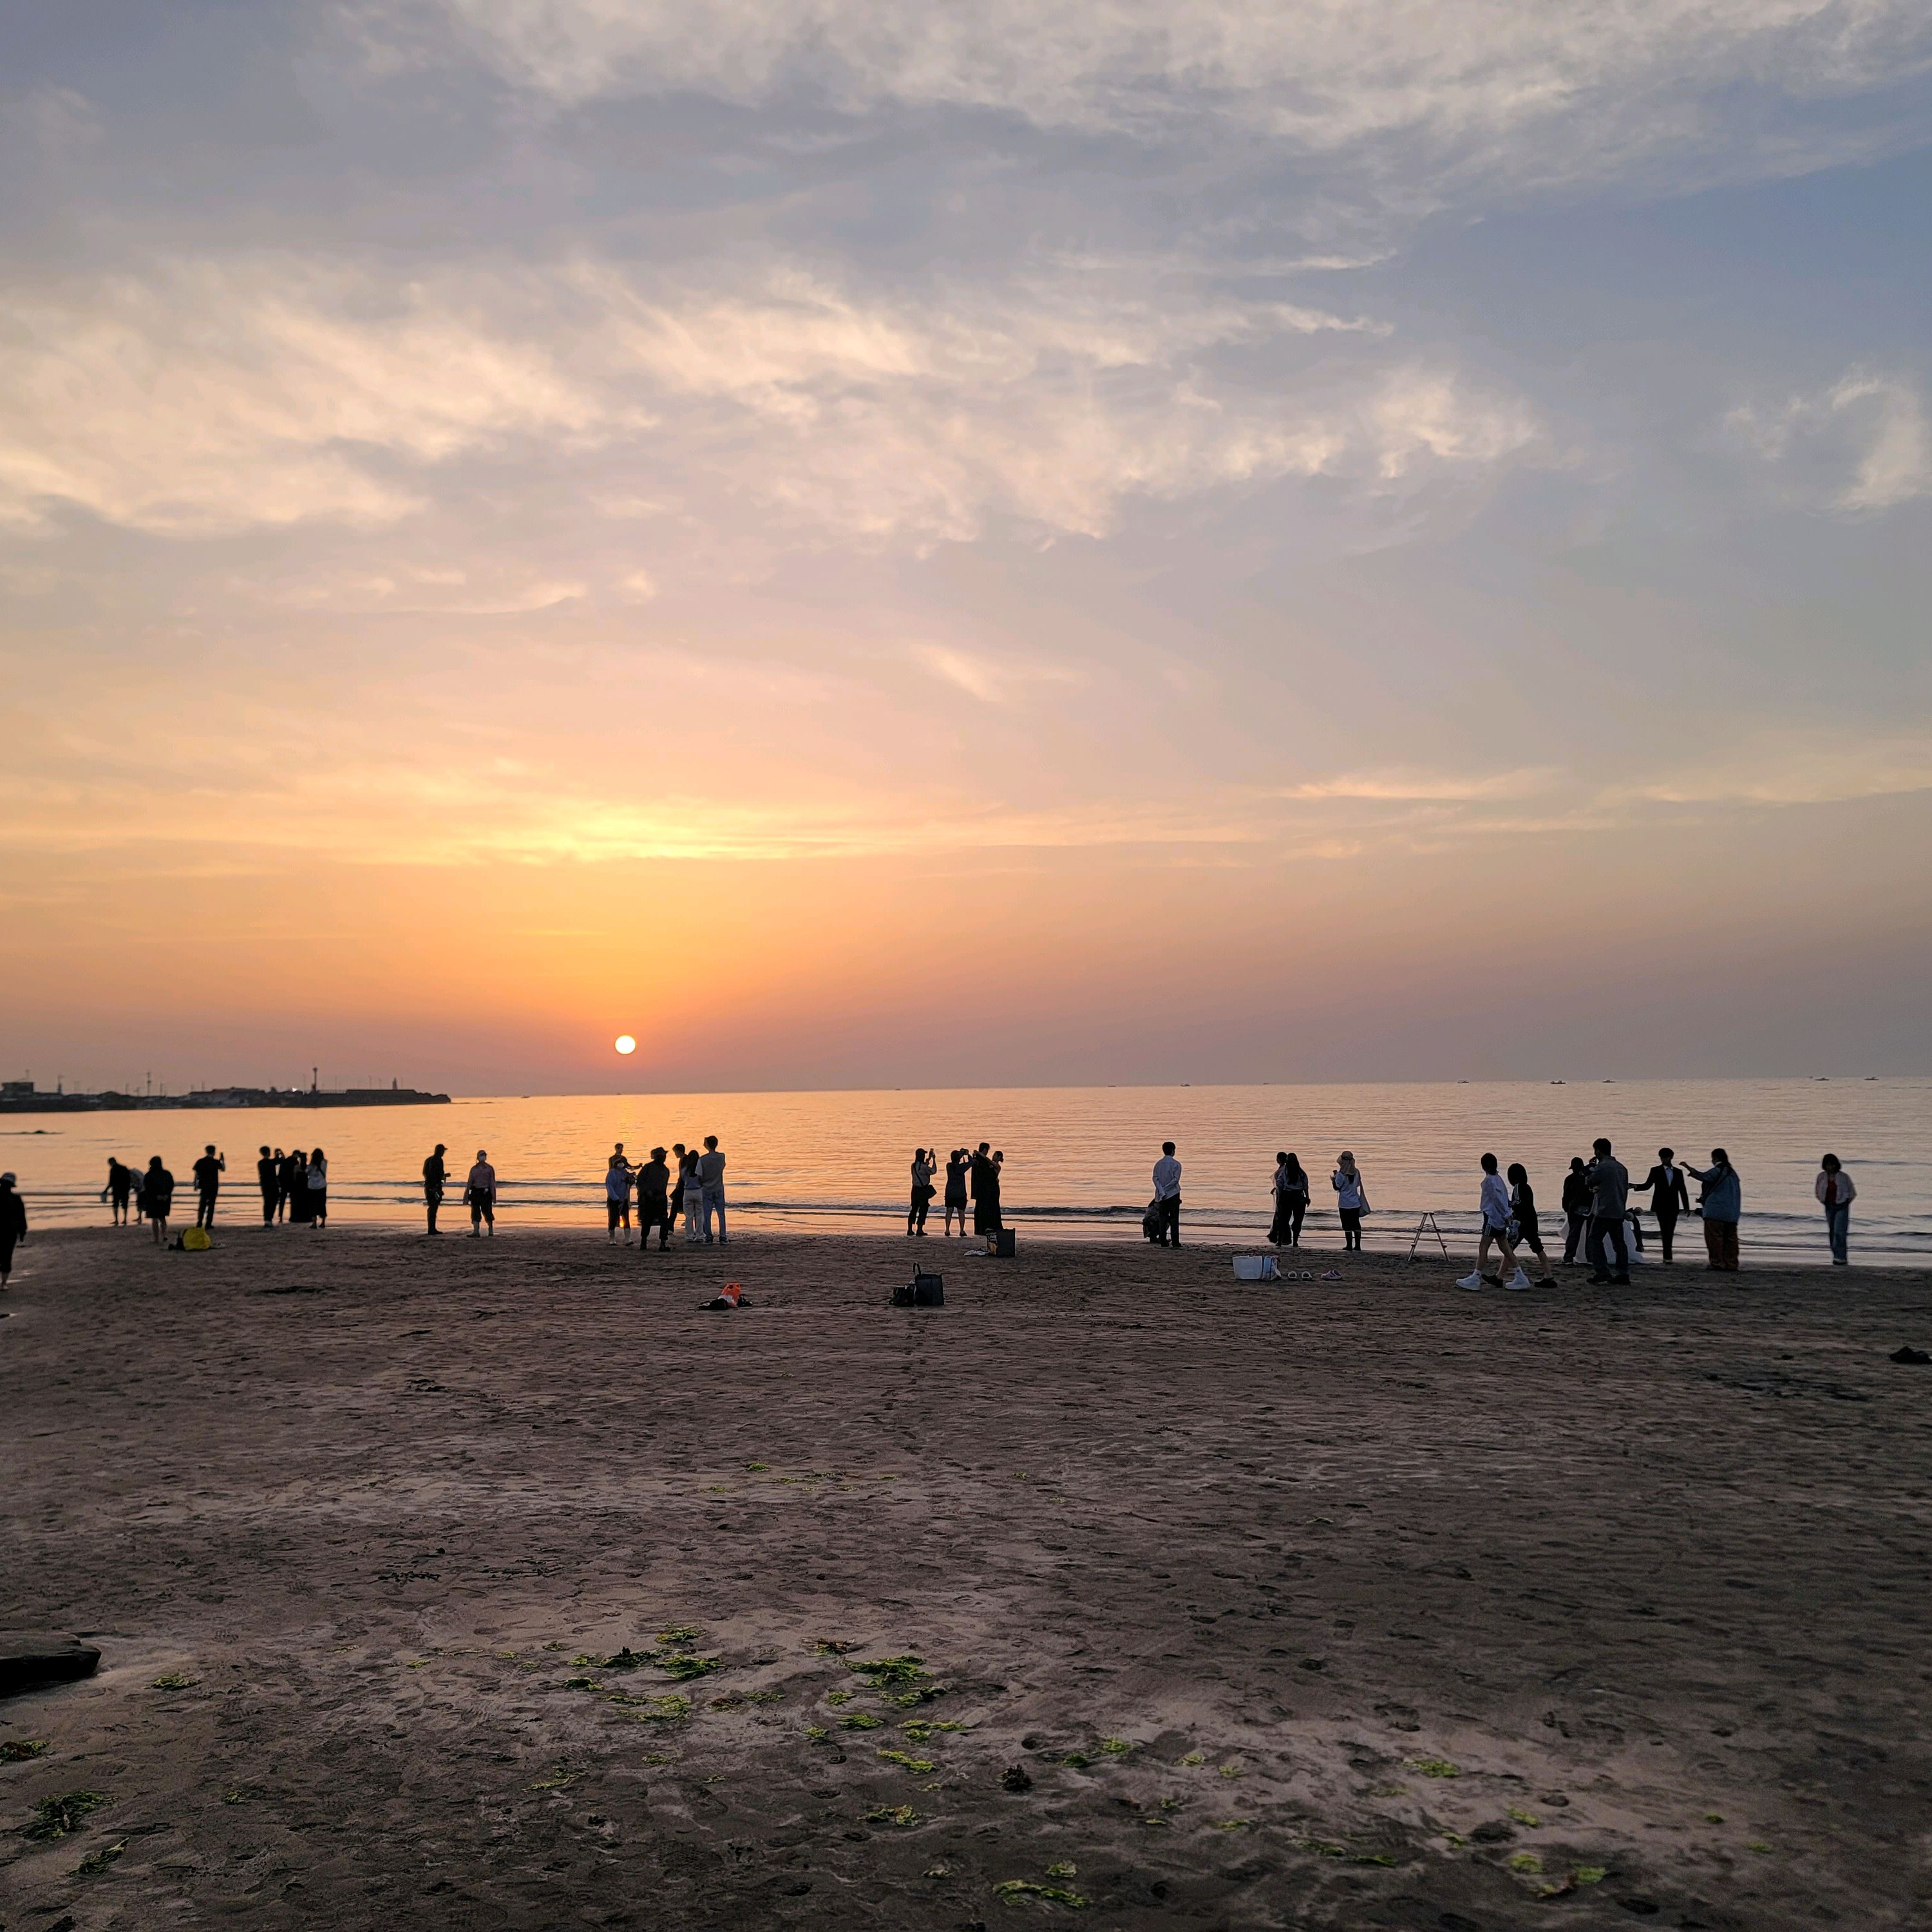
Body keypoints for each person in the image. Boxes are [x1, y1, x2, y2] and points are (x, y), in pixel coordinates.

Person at [1457, 1153, 1524, 1291]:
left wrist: (1507, 1215)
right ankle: (1520, 1276)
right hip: (1499, 1220)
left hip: (1492, 1219)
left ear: (1483, 1166)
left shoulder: (1489, 1181)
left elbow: (1497, 1200)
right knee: (1505, 1248)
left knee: (1483, 1248)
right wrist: (1507, 1216)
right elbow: (1503, 1198)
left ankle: (1476, 1277)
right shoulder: (1498, 1179)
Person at [1583, 1137, 1631, 1284]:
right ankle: (1623, 1273)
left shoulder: (1603, 1167)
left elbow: (1589, 1180)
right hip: (1618, 1209)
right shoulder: (1622, 1168)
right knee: (1619, 1243)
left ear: (1598, 1151)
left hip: (1604, 1210)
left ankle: (1602, 1271)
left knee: (1594, 1239)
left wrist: (1591, 1166)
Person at [1629, 1148, 1690, 1263]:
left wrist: (1686, 1206)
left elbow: (1682, 1190)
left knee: (1670, 1230)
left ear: (1671, 1157)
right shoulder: (1655, 1170)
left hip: (1674, 1206)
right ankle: (1667, 1257)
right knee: (1665, 1229)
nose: (1664, 1160)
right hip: (1660, 1205)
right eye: (1662, 1158)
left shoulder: (1678, 1172)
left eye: (1666, 1157)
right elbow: (1647, 1185)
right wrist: (1635, 1187)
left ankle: (1668, 1256)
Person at [1687, 1149, 1741, 1271]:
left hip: (1715, 1212)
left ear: (1714, 1158)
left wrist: (1691, 1171)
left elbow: (1704, 1177)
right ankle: (1731, 1263)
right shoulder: (1732, 1173)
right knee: (1731, 1240)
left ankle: (1717, 1263)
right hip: (1732, 1212)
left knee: (1714, 1239)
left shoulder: (1718, 1171)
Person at [1508, 1162, 1556, 1285]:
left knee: (1509, 1248)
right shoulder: (1527, 1187)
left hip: (1522, 1223)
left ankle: (1499, 1276)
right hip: (1532, 1221)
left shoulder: (1518, 1187)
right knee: (1538, 1248)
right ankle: (1548, 1275)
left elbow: (1518, 1203)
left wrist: (1507, 1203)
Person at [1816, 1153, 1856, 1265]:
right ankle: (1836, 1255)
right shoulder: (1821, 1177)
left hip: (1842, 1206)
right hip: (1829, 1206)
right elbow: (1818, 1191)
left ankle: (1841, 1257)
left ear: (1836, 1165)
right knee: (1832, 1232)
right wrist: (1822, 1200)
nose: (1831, 1167)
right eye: (1828, 1165)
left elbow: (1852, 1192)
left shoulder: (1843, 1177)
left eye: (1832, 1165)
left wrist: (1846, 1202)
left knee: (1840, 1232)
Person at [1269, 1152, 1309, 1247]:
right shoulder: (1302, 1173)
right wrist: (1307, 1197)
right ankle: (1295, 1241)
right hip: (1299, 1197)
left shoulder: (1284, 1172)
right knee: (1298, 1221)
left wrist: (1279, 1192)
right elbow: (1305, 1186)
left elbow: (1279, 1184)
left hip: (1286, 1197)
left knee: (1284, 1220)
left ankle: (1279, 1241)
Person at [636, 1147, 672, 1251]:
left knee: (663, 1221)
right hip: (649, 1198)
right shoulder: (649, 1168)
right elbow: (640, 1182)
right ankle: (644, 1243)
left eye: (664, 1156)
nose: (663, 1157)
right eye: (661, 1156)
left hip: (660, 1198)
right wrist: (647, 1193)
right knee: (648, 1220)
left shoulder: (665, 1170)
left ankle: (662, 1243)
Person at [1331, 1152, 1368, 1251]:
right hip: (1355, 1202)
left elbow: (1337, 1187)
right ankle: (1358, 1245)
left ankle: (1349, 1245)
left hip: (1344, 1203)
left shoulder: (1341, 1174)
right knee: (1356, 1224)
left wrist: (1333, 1180)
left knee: (1347, 1225)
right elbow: (1357, 1185)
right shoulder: (1356, 1172)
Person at [1559, 1157, 1591, 1265]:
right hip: (1589, 1208)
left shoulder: (1569, 1179)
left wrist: (1566, 1208)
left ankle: (1569, 1257)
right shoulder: (1588, 1177)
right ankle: (1590, 1257)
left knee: (1573, 1233)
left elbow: (1566, 1195)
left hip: (1574, 1209)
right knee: (1590, 1234)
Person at [1151, 1141, 1182, 1247]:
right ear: (1173, 1150)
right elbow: (1175, 1180)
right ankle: (1175, 1242)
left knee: (1163, 1218)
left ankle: (1163, 1241)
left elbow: (1155, 1179)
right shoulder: (1176, 1164)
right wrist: (1165, 1189)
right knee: (1174, 1218)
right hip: (1173, 1193)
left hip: (1161, 1195)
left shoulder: (1158, 1164)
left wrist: (1161, 1189)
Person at [698, 1136, 728, 1244]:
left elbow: (699, 1175)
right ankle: (723, 1236)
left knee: (707, 1213)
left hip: (706, 1188)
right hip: (718, 1186)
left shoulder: (702, 1159)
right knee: (721, 1213)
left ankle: (708, 1236)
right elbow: (722, 1168)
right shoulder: (721, 1157)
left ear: (707, 1145)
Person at [971, 1142, 1003, 1235]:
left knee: (994, 1206)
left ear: (998, 1157)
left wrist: (979, 1154)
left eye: (995, 1155)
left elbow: (987, 1160)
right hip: (991, 1187)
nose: (992, 1155)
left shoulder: (996, 1165)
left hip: (994, 1188)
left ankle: (993, 1225)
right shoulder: (989, 1165)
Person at [141, 1155, 175, 1246]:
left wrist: (157, 1196)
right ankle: (164, 1235)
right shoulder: (167, 1174)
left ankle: (156, 1238)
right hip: (166, 1199)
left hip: (153, 1199)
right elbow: (171, 1185)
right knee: (163, 1218)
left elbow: (148, 1188)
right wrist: (167, 1195)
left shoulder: (149, 1175)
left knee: (155, 1218)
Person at [0, 1172, 25, 1287]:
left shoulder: (16, 1199)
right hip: (10, 1232)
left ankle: (4, 1283)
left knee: (6, 1257)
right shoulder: (16, 1199)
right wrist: (22, 1232)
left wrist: (22, 1231)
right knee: (6, 1256)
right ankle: (4, 1283)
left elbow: (21, 1217)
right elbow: (21, 1217)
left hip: (10, 1232)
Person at [192, 1144, 225, 1229]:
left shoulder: (200, 1161)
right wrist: (222, 1161)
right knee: (211, 1205)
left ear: (206, 1151)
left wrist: (195, 1184)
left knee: (202, 1205)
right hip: (213, 1186)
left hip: (203, 1185)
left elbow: (196, 1173)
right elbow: (223, 1169)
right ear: (214, 1152)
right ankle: (208, 1223)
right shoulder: (216, 1162)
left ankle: (199, 1222)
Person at [466, 1149, 497, 1235]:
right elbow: (470, 1183)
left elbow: (492, 1183)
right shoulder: (474, 1169)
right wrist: (466, 1196)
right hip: (476, 1192)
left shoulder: (489, 1169)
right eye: (481, 1155)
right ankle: (476, 1231)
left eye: (484, 1155)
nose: (483, 1157)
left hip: (486, 1193)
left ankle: (491, 1230)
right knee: (475, 1211)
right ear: (478, 1157)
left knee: (488, 1212)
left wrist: (494, 1197)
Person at [605, 1153, 634, 1244]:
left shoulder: (625, 1173)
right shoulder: (612, 1173)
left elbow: (629, 1184)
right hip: (614, 1200)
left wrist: (631, 1180)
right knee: (613, 1218)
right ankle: (612, 1238)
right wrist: (615, 1198)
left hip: (624, 1199)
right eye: (619, 1162)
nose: (621, 1164)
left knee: (626, 1218)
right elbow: (610, 1186)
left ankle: (628, 1239)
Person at [943, 1148, 971, 1237]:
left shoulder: (949, 1166)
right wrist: (967, 1154)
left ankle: (947, 1229)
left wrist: (961, 1155)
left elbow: (955, 1162)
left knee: (949, 1211)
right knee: (961, 1212)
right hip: (960, 1193)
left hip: (950, 1192)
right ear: (959, 1159)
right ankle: (962, 1230)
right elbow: (971, 1162)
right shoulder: (962, 1167)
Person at [679, 1146, 705, 1244]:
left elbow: (683, 1179)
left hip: (688, 1191)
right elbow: (702, 1179)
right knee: (699, 1215)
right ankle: (700, 1235)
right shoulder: (699, 1169)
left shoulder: (685, 1170)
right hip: (698, 1191)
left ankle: (689, 1236)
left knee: (689, 1216)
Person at [908, 1148, 936, 1236]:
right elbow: (933, 1171)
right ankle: (919, 1229)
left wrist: (928, 1161)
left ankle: (910, 1229)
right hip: (923, 1190)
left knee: (914, 1209)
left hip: (915, 1190)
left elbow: (922, 1169)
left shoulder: (913, 1166)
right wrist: (934, 1160)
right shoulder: (924, 1167)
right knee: (923, 1209)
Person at [422, 1143, 448, 1234]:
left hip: (428, 1187)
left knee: (432, 1207)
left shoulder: (428, 1160)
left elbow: (425, 1173)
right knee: (434, 1207)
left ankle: (432, 1228)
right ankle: (432, 1229)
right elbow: (437, 1174)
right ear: (440, 1151)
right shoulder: (439, 1160)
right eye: (443, 1151)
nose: (443, 1153)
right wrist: (441, 1178)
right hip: (435, 1187)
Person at [102, 1157, 135, 1227]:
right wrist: (129, 1187)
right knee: (125, 1204)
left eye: (110, 1163)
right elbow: (129, 1179)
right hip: (125, 1189)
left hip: (116, 1189)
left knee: (115, 1205)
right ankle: (125, 1219)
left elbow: (111, 1182)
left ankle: (117, 1220)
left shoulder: (113, 1170)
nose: (110, 1165)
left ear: (112, 1162)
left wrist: (106, 1190)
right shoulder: (124, 1168)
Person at [285, 1149, 313, 1226]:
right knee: (305, 1203)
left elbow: (294, 1177)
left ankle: (296, 1217)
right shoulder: (307, 1167)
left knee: (297, 1203)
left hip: (297, 1187)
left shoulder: (297, 1167)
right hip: (305, 1187)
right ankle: (306, 1217)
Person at [306, 1146, 328, 1229]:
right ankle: (323, 1222)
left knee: (312, 1205)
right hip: (322, 1186)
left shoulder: (312, 1165)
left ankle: (314, 1223)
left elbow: (306, 1172)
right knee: (322, 1204)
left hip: (312, 1186)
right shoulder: (324, 1163)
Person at [256, 1146, 280, 1225]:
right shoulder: (271, 1162)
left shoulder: (260, 1163)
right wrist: (278, 1153)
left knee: (267, 1202)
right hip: (273, 1185)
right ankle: (269, 1218)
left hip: (265, 1185)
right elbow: (282, 1160)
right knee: (274, 1202)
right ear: (267, 1152)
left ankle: (267, 1219)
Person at [668, 1143, 688, 1231]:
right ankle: (688, 1219)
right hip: (682, 1185)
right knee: (681, 1205)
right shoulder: (684, 1159)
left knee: (675, 1206)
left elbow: (683, 1175)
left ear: (679, 1151)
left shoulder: (685, 1160)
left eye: (676, 1152)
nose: (675, 1154)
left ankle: (670, 1227)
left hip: (683, 1187)